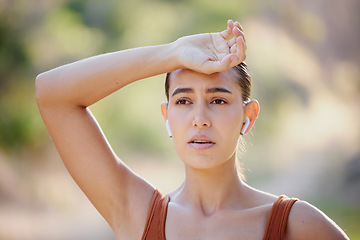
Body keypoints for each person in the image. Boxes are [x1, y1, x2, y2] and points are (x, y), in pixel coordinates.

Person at [35, 20, 349, 240]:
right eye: (183, 100)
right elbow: (51, 94)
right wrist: (172, 52)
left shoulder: (297, 225)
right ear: (166, 115)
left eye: (219, 100)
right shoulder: (138, 214)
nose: (200, 118)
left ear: (248, 117)